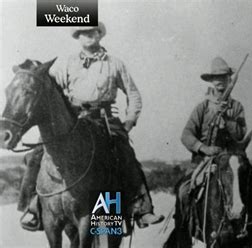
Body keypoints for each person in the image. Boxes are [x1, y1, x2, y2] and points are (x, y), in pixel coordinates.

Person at [18, 22, 164, 231]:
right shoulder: (65, 63)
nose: (88, 35)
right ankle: (32, 206)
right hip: (72, 121)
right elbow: (47, 85)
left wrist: (130, 120)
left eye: (91, 31)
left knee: (124, 154)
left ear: (99, 35)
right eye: (83, 32)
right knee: (36, 154)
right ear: (78, 37)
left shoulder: (115, 64)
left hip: (102, 120)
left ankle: (140, 208)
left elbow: (133, 94)